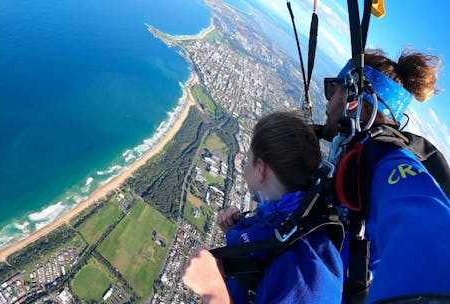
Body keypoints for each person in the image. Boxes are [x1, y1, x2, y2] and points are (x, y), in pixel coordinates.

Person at [322, 49, 450, 302]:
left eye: (331, 90)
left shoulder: (390, 162)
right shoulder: (359, 157)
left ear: (353, 99)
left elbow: (429, 227)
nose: (326, 101)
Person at [182, 111, 343, 303]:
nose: (244, 168)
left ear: (260, 169)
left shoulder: (307, 274)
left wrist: (214, 292)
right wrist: (235, 232)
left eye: (247, 160)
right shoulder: (288, 216)